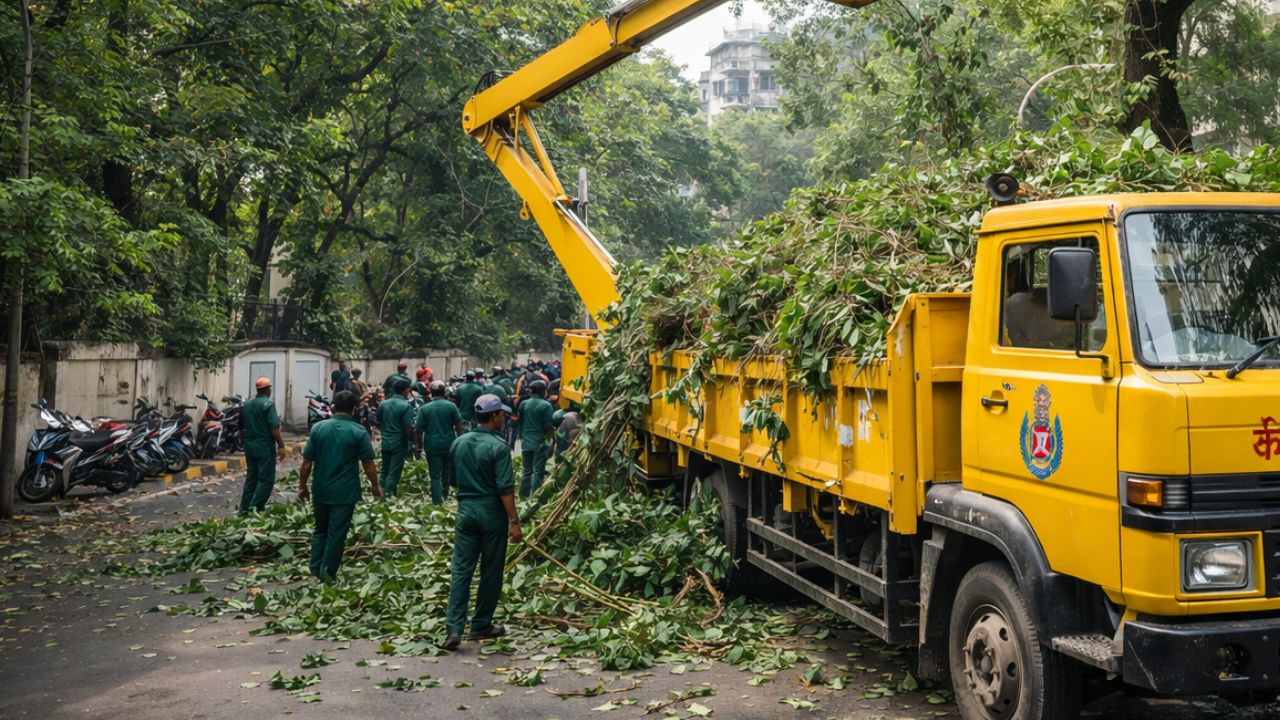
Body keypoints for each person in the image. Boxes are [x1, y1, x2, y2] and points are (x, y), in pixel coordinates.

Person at [443, 393, 521, 650]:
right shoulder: (499, 447)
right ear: (495, 416)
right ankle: (480, 625)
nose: (504, 418)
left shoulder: (459, 443)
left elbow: (453, 481)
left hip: (466, 512)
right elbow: (505, 489)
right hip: (491, 514)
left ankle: (454, 628)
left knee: (462, 570)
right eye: (502, 414)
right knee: (491, 570)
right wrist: (514, 521)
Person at [297, 391, 383, 582]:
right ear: (355, 409)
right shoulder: (359, 432)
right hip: (345, 492)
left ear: (333, 407)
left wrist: (302, 486)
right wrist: (376, 486)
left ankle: (315, 567)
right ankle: (328, 573)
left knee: (321, 529)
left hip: (321, 489)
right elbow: (368, 464)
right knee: (336, 533)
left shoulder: (318, 429)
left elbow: (307, 462)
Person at [239, 377, 287, 513]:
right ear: (267, 389)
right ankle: (255, 509)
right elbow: (274, 428)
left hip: (250, 445)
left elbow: (241, 426)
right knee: (266, 480)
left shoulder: (247, 404)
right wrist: (281, 445)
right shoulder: (268, 405)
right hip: (264, 446)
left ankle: (243, 509)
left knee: (251, 478)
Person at [414, 381, 463, 504]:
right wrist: (460, 440)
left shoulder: (424, 408)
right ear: (444, 392)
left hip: (432, 445)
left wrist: (418, 446)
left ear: (431, 392)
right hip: (449, 444)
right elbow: (458, 426)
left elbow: (418, 429)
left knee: (435, 475)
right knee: (447, 471)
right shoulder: (451, 406)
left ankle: (437, 501)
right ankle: (445, 495)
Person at [516, 380, 555, 498]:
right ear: (544, 391)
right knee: (538, 472)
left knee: (527, 471)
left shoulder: (523, 404)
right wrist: (551, 443)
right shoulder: (546, 405)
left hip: (526, 442)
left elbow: (520, 422)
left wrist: (523, 436)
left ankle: (523, 496)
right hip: (539, 442)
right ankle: (533, 498)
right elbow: (548, 427)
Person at [377, 379, 415, 497]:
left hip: (385, 442)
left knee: (384, 471)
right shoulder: (406, 406)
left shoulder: (383, 404)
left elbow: (378, 421)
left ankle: (379, 494)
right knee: (394, 473)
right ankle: (388, 497)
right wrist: (413, 442)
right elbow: (408, 428)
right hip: (399, 443)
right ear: (406, 390)